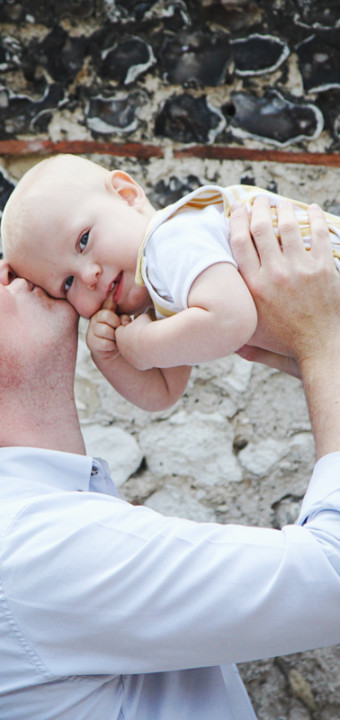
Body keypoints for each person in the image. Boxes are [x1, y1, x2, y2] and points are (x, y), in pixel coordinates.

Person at [1, 197, 340, 719]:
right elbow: (332, 580)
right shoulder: (34, 546)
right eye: (65, 279)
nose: (8, 269)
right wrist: (323, 339)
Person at [3, 155, 340, 412]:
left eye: (83, 240)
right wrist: (110, 356)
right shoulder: (166, 289)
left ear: (127, 195)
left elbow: (231, 319)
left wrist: (143, 343)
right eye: (67, 284)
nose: (88, 276)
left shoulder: (169, 239)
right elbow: (163, 393)